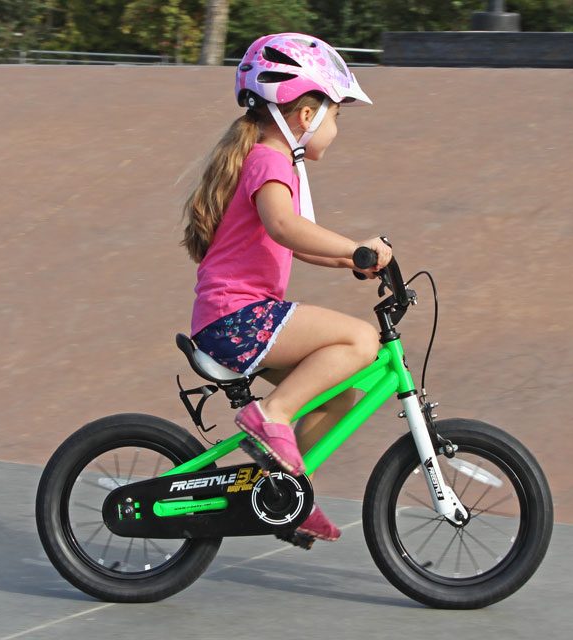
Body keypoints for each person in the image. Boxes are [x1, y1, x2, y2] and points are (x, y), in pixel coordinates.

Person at [181, 33, 391, 542]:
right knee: (362, 341)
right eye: (337, 115)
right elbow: (283, 227)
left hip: (240, 321)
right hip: (237, 318)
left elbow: (296, 246)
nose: (337, 128)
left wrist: (350, 262)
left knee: (338, 400)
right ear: (305, 113)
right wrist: (355, 246)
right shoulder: (269, 160)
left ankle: (287, 496)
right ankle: (270, 414)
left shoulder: (269, 160)